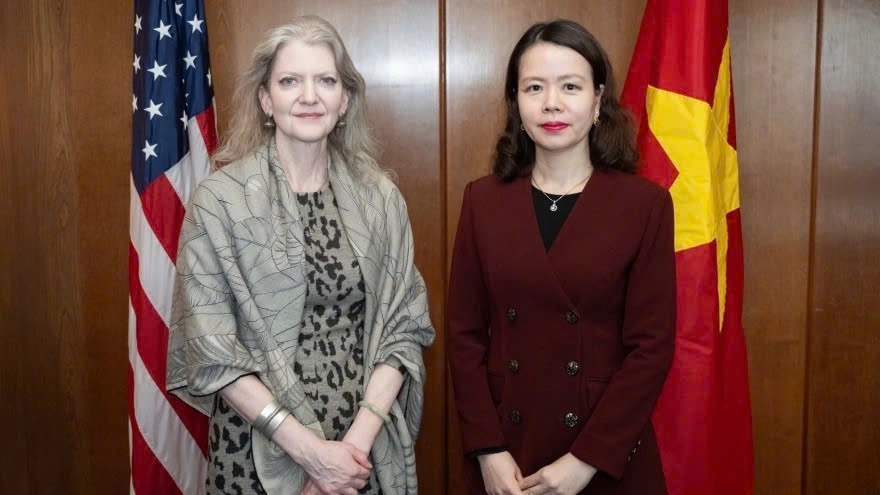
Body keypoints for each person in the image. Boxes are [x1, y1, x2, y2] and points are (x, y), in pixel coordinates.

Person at [166, 15, 434, 495]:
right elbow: (211, 348)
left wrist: (350, 452)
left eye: (325, 81)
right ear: (266, 100)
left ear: (345, 99)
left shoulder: (380, 199)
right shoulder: (219, 201)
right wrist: (311, 455)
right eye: (290, 81)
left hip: (362, 458)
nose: (309, 96)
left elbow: (405, 329)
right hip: (256, 453)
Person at [446, 19, 676, 495]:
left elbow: (650, 349)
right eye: (535, 87)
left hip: (604, 455)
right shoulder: (483, 200)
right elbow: (464, 336)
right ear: (517, 104)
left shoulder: (644, 205)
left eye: (570, 86)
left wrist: (586, 460)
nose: (551, 102)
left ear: (597, 100)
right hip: (506, 455)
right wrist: (487, 449)